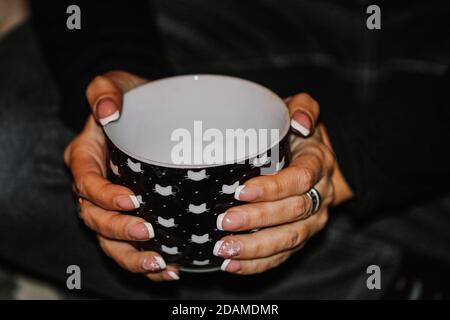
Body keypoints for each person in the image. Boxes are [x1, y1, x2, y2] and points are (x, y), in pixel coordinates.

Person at [0, 0, 449, 298]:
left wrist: (352, 161)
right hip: (243, 20)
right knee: (11, 156)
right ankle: (381, 278)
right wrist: (115, 70)